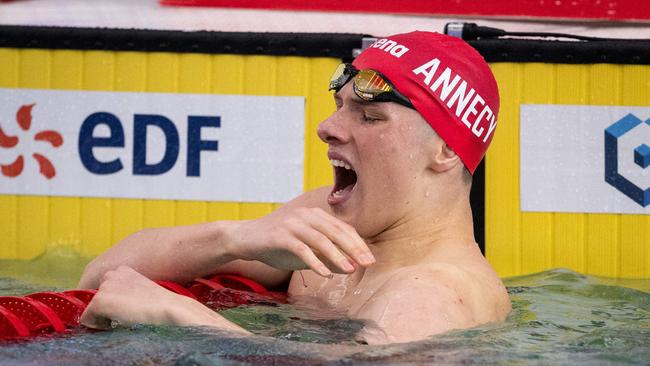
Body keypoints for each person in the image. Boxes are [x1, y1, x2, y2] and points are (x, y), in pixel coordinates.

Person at [77, 31, 511, 345]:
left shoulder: (431, 295)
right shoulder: (329, 223)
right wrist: (235, 238)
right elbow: (102, 274)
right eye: (339, 106)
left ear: (445, 151)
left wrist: (183, 315)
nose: (327, 128)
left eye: (370, 116)